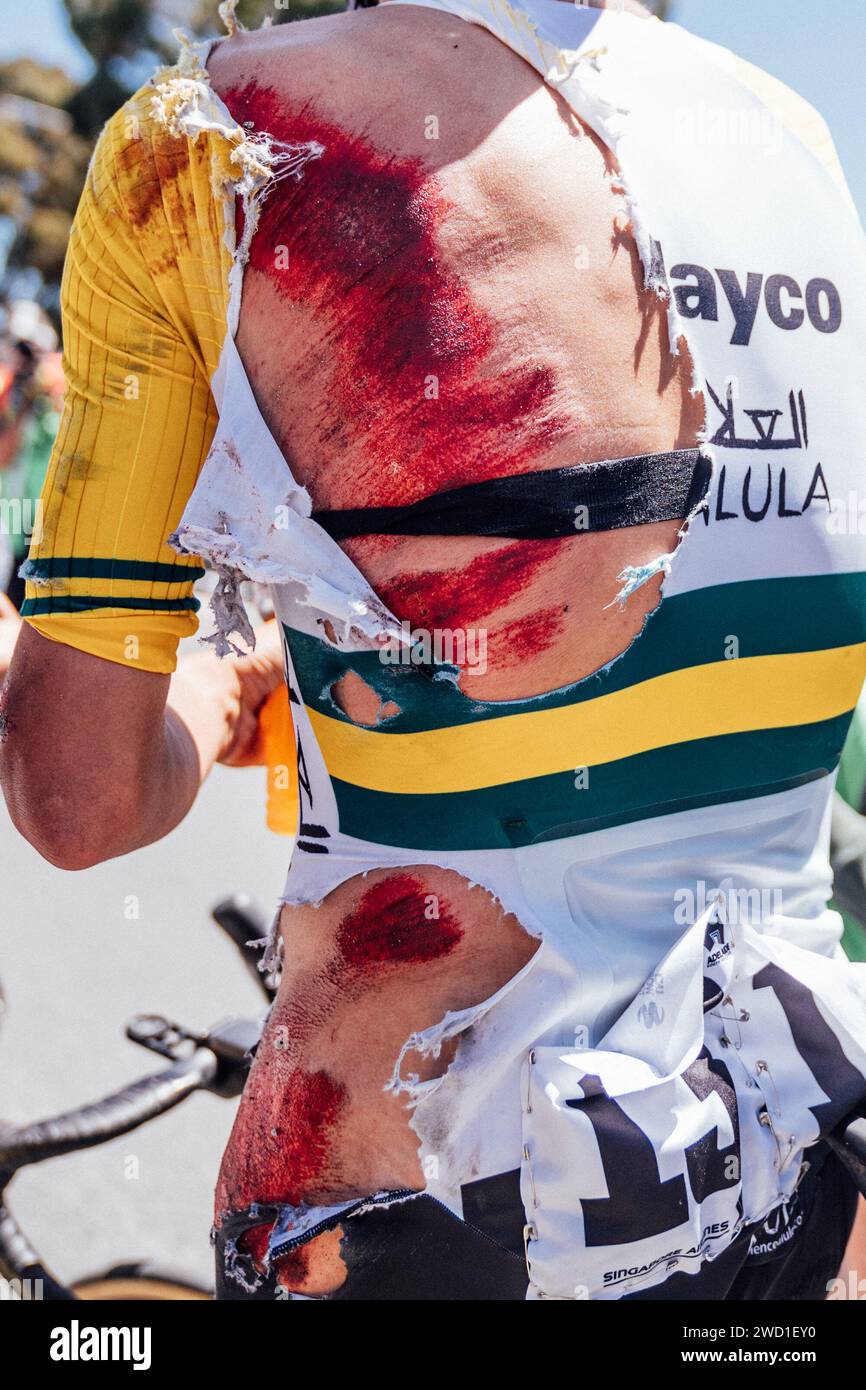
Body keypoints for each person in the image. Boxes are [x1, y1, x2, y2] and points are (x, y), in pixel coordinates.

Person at [3, 0, 866, 1301]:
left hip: (427, 1210)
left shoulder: (216, 138)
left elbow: (79, 801)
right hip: (784, 1171)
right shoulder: (794, 135)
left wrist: (146, 677)